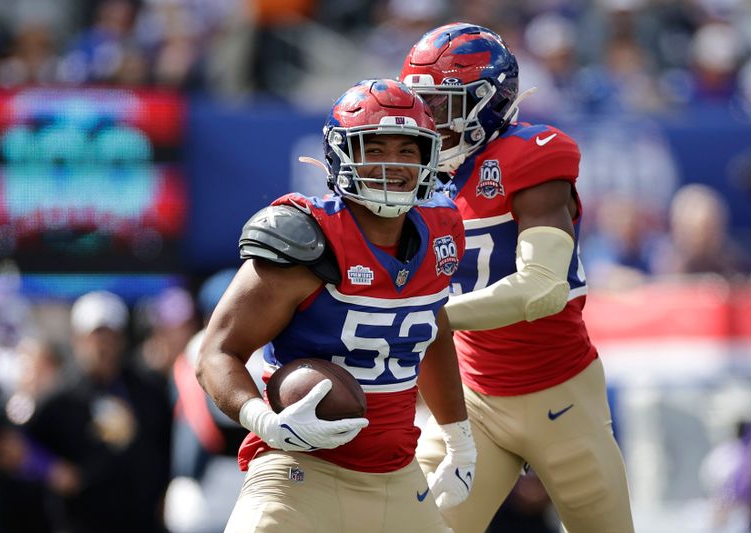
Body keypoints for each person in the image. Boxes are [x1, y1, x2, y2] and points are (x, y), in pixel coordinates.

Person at [196, 78, 476, 533]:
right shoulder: (305, 237)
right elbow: (216, 352)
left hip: (398, 478)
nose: (393, 165)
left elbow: (432, 328)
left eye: (408, 151)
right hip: (299, 474)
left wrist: (460, 439)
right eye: (375, 148)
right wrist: (264, 421)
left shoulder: (443, 228)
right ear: (342, 154)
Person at [400, 23, 634, 532]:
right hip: (471, 399)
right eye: (422, 107)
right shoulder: (417, 176)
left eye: (442, 107)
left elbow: (543, 285)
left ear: (487, 102)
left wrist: (434, 317)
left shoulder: (532, 154)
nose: (428, 123)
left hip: (560, 395)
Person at [24, 290, 171, 533]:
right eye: (94, 336)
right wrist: (52, 469)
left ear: (122, 338)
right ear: (76, 339)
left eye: (110, 335)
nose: (102, 344)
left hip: (142, 521)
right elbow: (23, 450)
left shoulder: (148, 391)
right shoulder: (58, 399)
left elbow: (165, 445)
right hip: (80, 521)